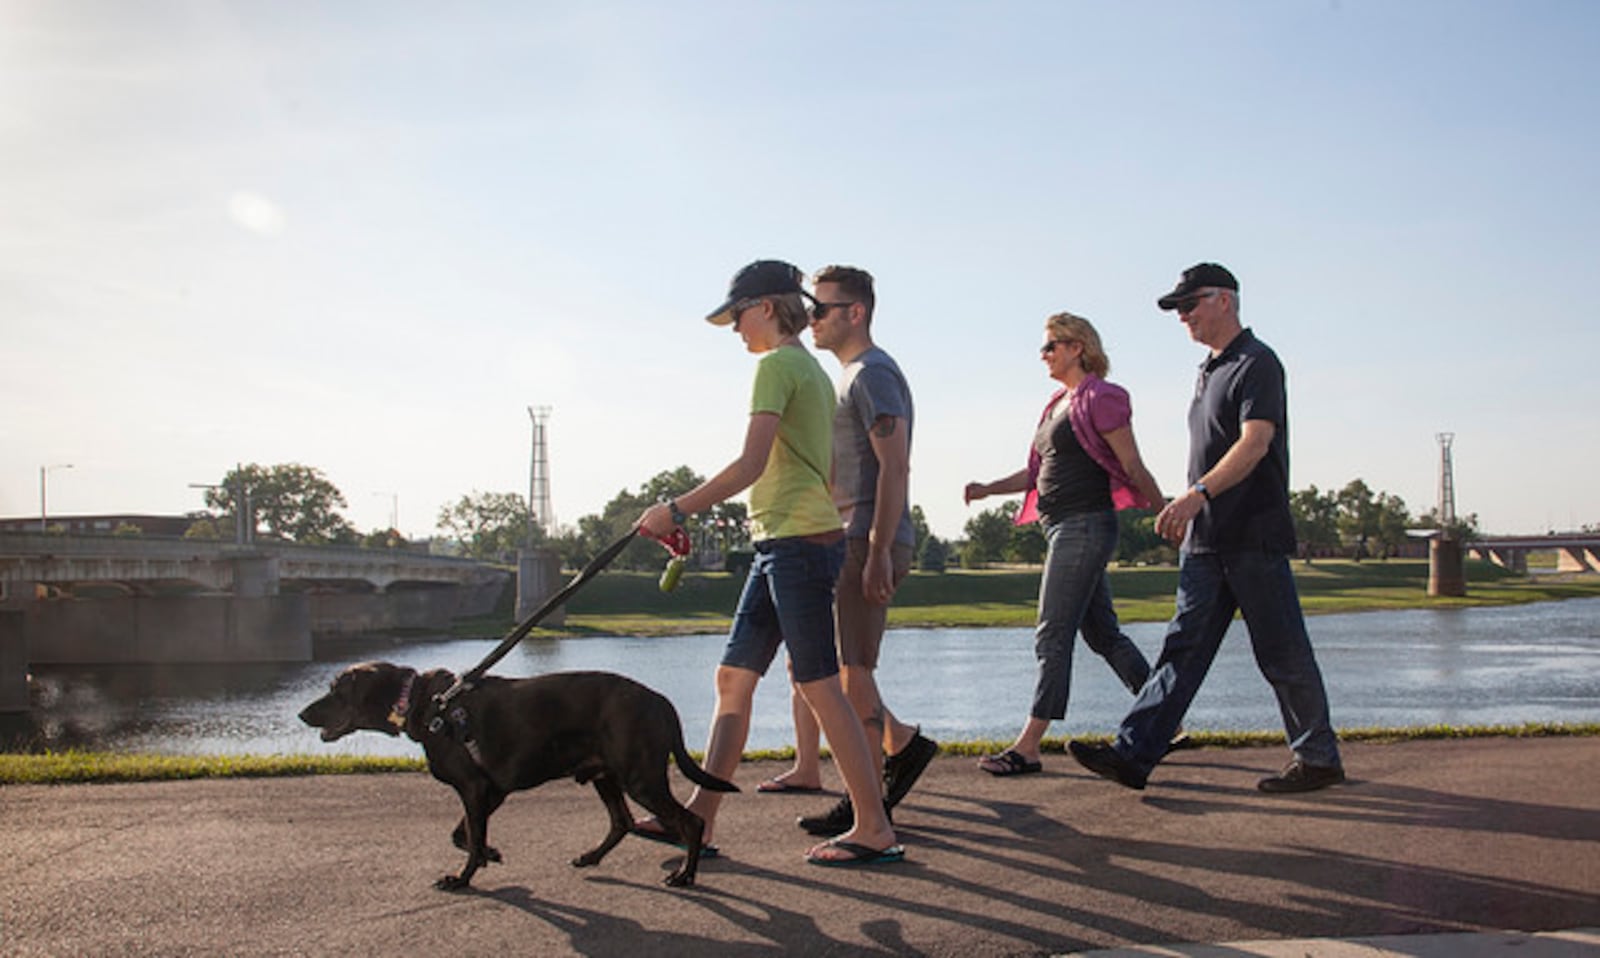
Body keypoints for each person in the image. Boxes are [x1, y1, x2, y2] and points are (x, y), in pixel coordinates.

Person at [634, 259, 904, 867]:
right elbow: (828, 468)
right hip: (785, 538)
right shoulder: (808, 369)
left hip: (794, 543)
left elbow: (752, 463)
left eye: (736, 316)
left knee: (818, 685)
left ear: (764, 307)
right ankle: (697, 819)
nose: (733, 329)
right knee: (734, 678)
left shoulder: (776, 366)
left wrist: (674, 509)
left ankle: (874, 828)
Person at [1069, 262, 1345, 793]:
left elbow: (1254, 442)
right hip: (1205, 540)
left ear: (1225, 300)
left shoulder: (1258, 364)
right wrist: (1192, 508)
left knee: (1281, 651)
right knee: (1181, 650)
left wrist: (1195, 496)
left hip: (1251, 533)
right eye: (1178, 309)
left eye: (1190, 305)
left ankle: (1318, 758)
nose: (1183, 317)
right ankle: (1133, 754)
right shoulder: (1209, 370)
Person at [759, 265, 938, 837]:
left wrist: (880, 547)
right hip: (847, 536)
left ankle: (868, 811)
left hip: (865, 538)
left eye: (821, 308)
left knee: (851, 671)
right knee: (838, 668)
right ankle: (899, 749)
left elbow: (896, 465)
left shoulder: (872, 374)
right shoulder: (849, 375)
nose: (809, 317)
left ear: (854, 313)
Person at [963, 311, 1169, 776]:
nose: (1044, 354)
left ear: (1078, 347)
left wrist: (1166, 513)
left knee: (1052, 632)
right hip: (1061, 527)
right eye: (1043, 347)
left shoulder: (1102, 396)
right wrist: (986, 488)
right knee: (1102, 634)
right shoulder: (1057, 402)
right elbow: (1036, 474)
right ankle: (1163, 717)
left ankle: (1028, 746)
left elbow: (1132, 464)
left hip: (1085, 526)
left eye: (1051, 345)